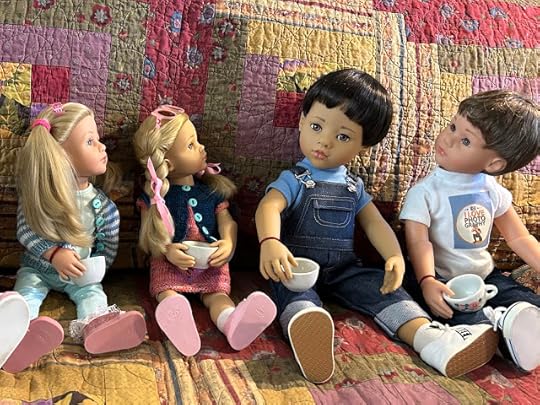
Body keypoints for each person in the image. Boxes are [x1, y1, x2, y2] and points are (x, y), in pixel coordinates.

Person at [255, 68, 499, 384]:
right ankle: (307, 326)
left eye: (343, 136)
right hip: (295, 266)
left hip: (345, 269)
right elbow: (269, 206)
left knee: (384, 290)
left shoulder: (354, 187)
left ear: (364, 146)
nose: (324, 141)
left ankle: (429, 338)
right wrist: (270, 242)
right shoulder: (294, 179)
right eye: (316, 126)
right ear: (302, 121)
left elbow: (375, 224)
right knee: (293, 292)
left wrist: (393, 256)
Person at [400, 90, 540, 372]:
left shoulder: (492, 191)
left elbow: (519, 237)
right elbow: (419, 243)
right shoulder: (425, 193)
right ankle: (495, 334)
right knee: (464, 315)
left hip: (485, 276)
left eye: (465, 140)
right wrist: (427, 280)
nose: (448, 139)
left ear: (494, 164)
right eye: (453, 126)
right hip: (442, 280)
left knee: (527, 302)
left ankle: (510, 329)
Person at [4, 102, 147, 373]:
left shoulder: (104, 208)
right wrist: (53, 253)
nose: (103, 147)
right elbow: (25, 230)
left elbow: (107, 247)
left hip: (80, 275)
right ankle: (18, 335)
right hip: (38, 268)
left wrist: (95, 268)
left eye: (98, 139)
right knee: (26, 293)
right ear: (61, 156)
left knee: (93, 295)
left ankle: (99, 330)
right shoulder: (40, 196)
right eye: (90, 141)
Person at [133, 105, 276, 356]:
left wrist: (228, 244)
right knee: (167, 292)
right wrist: (167, 250)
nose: (202, 147)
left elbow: (227, 222)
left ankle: (232, 323)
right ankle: (177, 319)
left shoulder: (210, 191)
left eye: (197, 141)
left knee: (218, 296)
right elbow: (150, 231)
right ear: (168, 164)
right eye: (191, 145)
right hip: (170, 263)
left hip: (210, 262)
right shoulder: (156, 197)